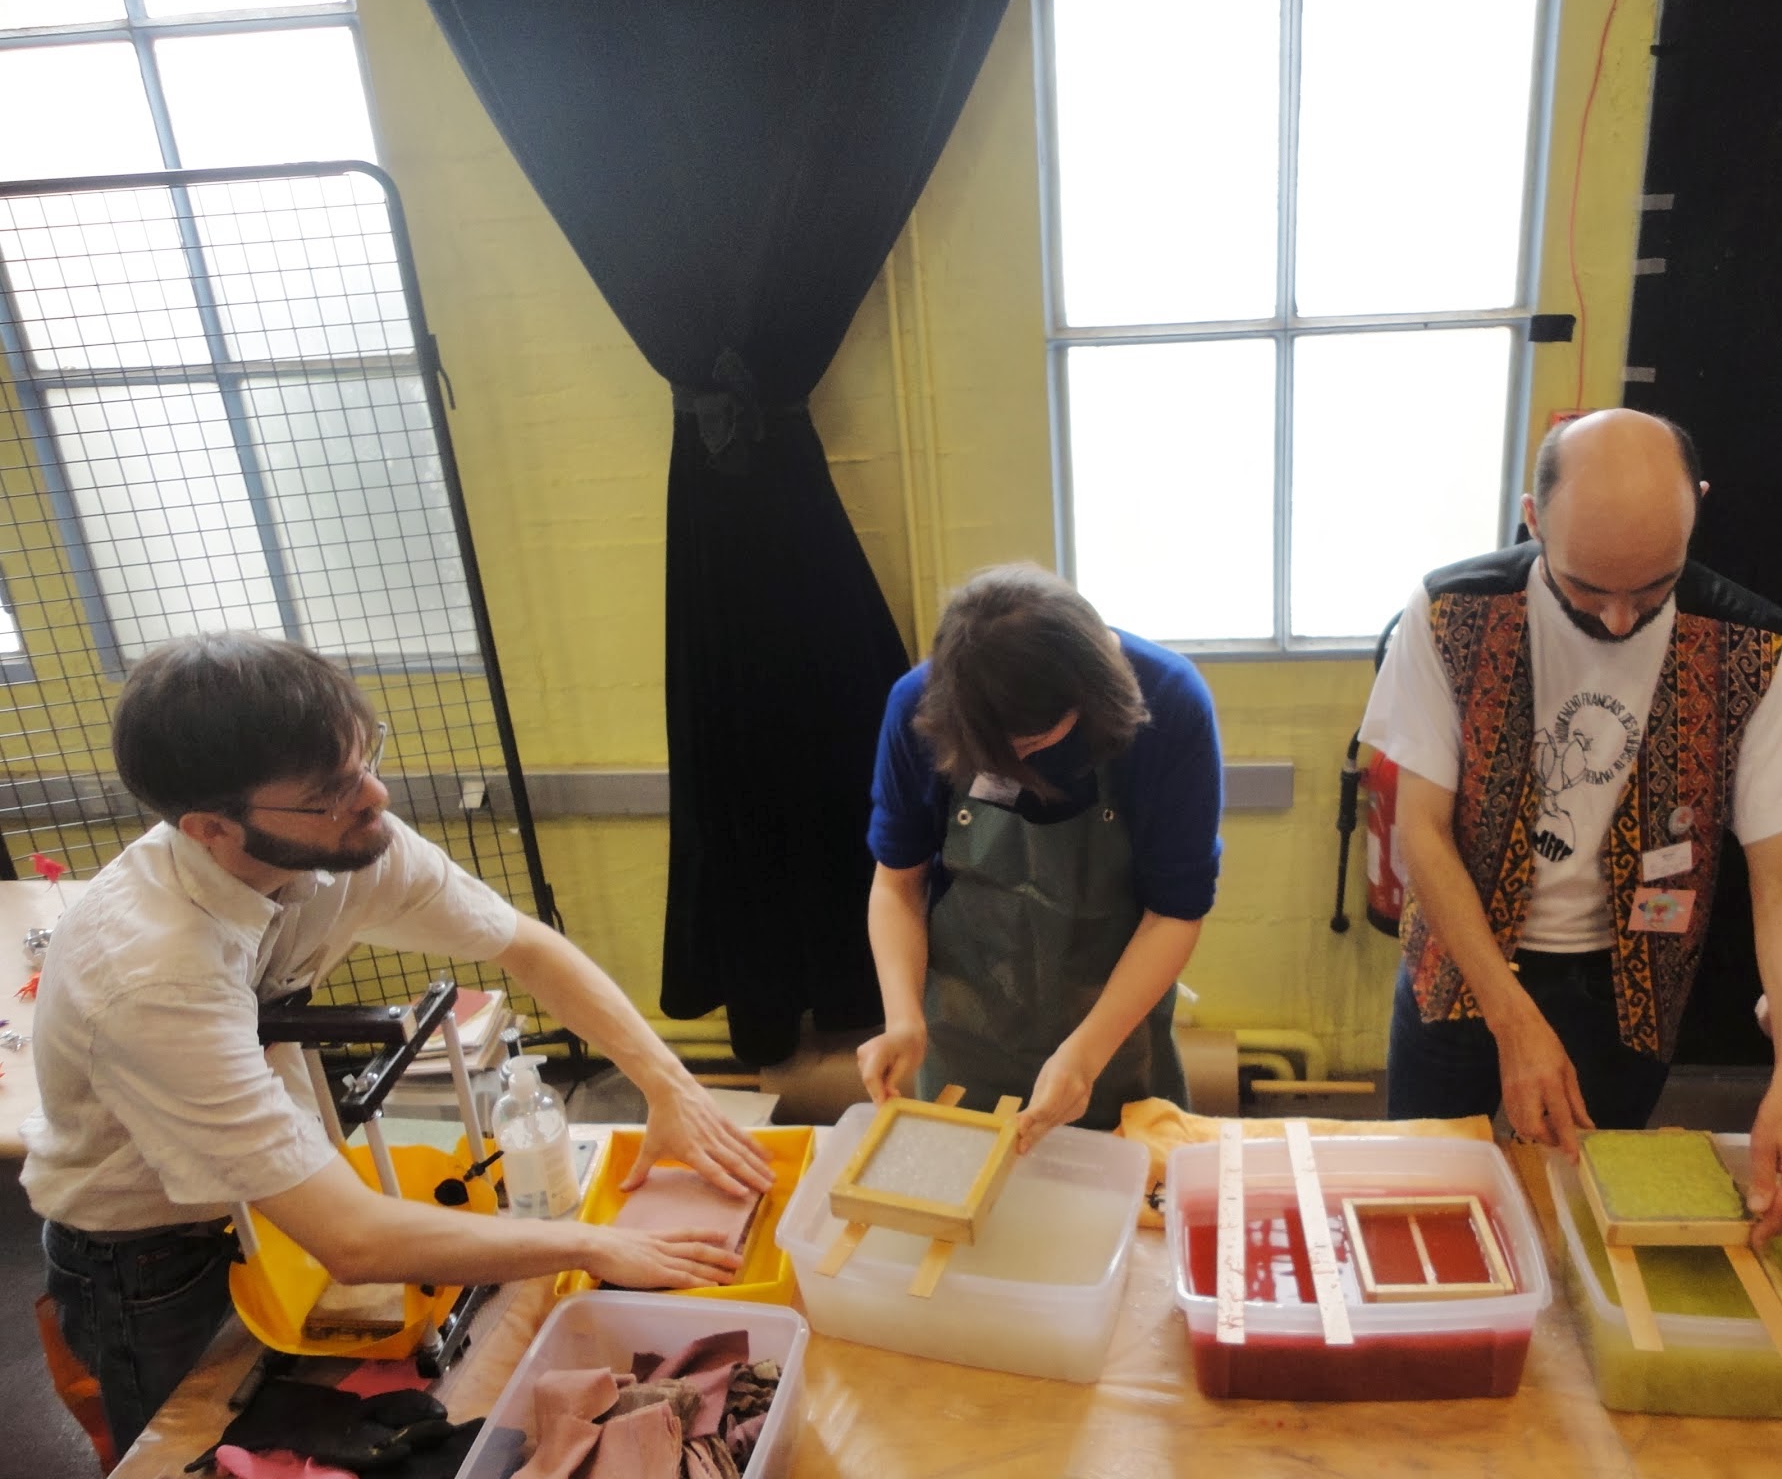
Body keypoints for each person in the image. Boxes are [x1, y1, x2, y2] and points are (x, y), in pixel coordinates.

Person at [22, 633, 774, 1456]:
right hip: (151, 1263)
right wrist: (598, 1244)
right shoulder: (151, 975)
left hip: (271, 1205)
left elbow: (526, 947)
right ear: (210, 827)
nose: (374, 795)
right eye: (329, 792)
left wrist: (669, 1087)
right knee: (186, 1452)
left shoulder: (344, 842)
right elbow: (353, 1239)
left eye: (364, 759)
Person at [1361, 408, 1782, 1244]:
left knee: (1590, 1214)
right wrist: (1513, 1019)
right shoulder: (1452, 612)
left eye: (1651, 589)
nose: (1618, 620)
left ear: (1697, 508)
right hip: (1461, 965)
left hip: (1629, 990)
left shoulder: (1753, 647)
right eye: (1586, 589)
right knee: (1423, 1196)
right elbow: (1422, 832)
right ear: (1534, 519)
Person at [856, 563, 1223, 1151]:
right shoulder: (919, 706)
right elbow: (897, 886)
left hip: (1111, 1027)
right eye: (987, 756)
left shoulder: (1171, 705)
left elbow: (1175, 913)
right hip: (964, 1030)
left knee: (1124, 1189)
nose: (1010, 767)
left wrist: (1085, 1055)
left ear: (1087, 696)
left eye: (1026, 746)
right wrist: (902, 1020)